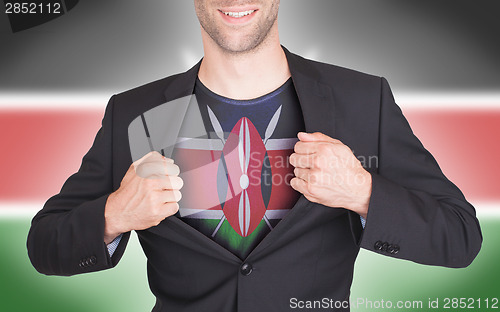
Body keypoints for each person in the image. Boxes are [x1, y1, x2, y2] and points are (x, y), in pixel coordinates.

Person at [27, 1, 482, 311]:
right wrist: (114, 215)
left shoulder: (363, 100)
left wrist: (363, 192)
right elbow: (44, 245)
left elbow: (460, 237)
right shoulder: (134, 113)